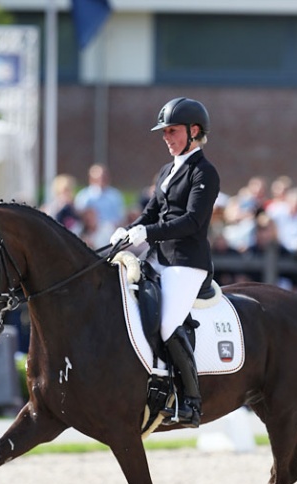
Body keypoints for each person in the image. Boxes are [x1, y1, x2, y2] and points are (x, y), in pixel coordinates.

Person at [110, 97, 220, 428]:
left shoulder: (204, 172)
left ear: (193, 131)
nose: (166, 137)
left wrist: (148, 232)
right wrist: (128, 231)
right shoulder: (166, 170)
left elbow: (192, 222)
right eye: (165, 132)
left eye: (172, 131)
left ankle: (191, 400)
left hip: (186, 262)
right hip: (157, 256)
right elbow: (152, 212)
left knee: (169, 322)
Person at [74, 163, 125, 242]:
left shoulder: (115, 195)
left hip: (111, 229)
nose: (102, 180)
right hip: (90, 231)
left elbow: (120, 217)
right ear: (91, 179)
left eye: (104, 178)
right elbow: (80, 217)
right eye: (99, 178)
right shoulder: (84, 196)